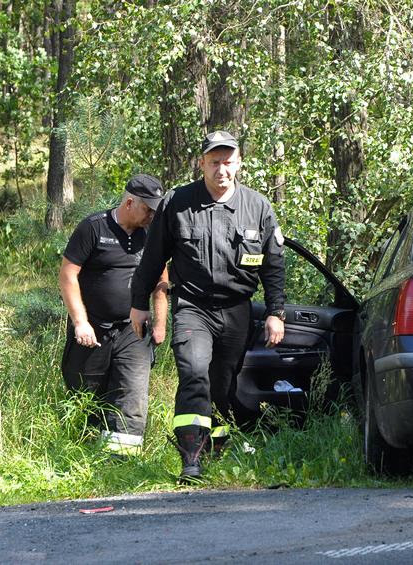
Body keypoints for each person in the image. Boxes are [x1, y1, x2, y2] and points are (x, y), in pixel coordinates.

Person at [130, 131, 286, 480]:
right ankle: (191, 459)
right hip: (193, 307)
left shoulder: (257, 207)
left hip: (237, 310)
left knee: (223, 385)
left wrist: (276, 312)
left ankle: (217, 450)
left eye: (228, 162)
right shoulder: (178, 203)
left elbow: (273, 265)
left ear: (239, 163)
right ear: (201, 164)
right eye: (214, 162)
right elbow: (153, 258)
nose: (221, 170)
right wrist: (139, 303)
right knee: (193, 372)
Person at [59, 174, 169, 455]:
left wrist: (160, 323)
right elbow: (68, 276)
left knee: (132, 393)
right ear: (130, 202)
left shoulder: (152, 235)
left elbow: (161, 281)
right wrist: (80, 323)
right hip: (93, 330)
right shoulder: (93, 228)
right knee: (86, 392)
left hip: (134, 331)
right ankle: (84, 454)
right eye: (148, 209)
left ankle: (122, 462)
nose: (152, 216)